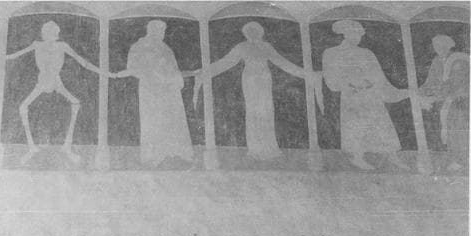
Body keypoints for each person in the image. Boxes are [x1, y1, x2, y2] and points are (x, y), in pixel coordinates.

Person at [201, 22, 308, 161]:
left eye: (255, 31)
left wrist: (304, 73)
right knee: (253, 112)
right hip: (250, 81)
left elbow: (282, 62)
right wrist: (205, 71)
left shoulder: (266, 46)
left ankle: (269, 148)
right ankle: (255, 149)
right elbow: (226, 62)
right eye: (249, 31)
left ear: (260, 32)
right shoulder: (242, 47)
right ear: (245, 33)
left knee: (266, 111)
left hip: (264, 80)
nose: (252, 33)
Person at [7, 20, 104, 165]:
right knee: (23, 107)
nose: (47, 34)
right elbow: (16, 54)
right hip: (42, 80)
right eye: (46, 31)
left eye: (50, 32)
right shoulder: (37, 44)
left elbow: (82, 61)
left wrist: (103, 72)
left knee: (75, 103)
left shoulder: (62, 45)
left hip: (56, 81)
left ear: (55, 33)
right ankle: (32, 147)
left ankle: (66, 147)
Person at [321, 19, 409, 171]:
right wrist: (350, 84)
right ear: (345, 34)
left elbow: (378, 77)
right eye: (354, 34)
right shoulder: (331, 53)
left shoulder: (366, 53)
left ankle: (393, 156)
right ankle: (357, 157)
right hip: (351, 96)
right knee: (356, 126)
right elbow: (331, 79)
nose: (358, 37)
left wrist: (373, 84)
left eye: (360, 34)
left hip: (371, 95)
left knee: (382, 125)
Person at [116, 20, 193, 168]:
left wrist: (173, 77)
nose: (162, 33)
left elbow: (174, 69)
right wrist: (153, 74)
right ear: (151, 30)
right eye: (160, 30)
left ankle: (173, 154)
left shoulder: (165, 48)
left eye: (163, 30)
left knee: (172, 121)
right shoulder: (138, 47)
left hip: (169, 90)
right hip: (151, 90)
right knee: (153, 121)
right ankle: (154, 156)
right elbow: (133, 68)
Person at [418, 35, 469, 172]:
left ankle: (461, 160)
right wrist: (420, 92)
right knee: (447, 128)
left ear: (449, 45)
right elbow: (431, 81)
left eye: (441, 45)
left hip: (462, 99)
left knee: (458, 128)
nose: (438, 48)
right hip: (446, 100)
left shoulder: (458, 60)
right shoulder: (437, 60)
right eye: (435, 45)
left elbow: (453, 84)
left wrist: (434, 97)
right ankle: (453, 157)